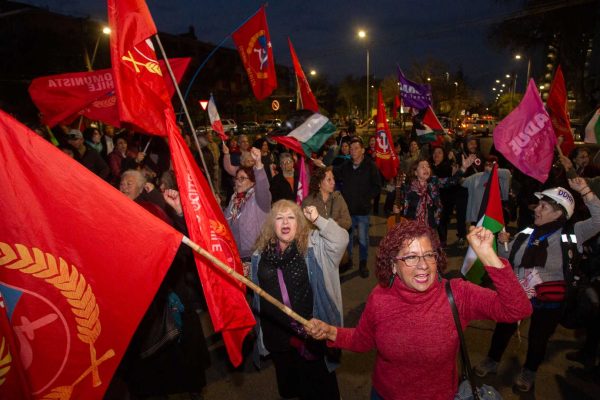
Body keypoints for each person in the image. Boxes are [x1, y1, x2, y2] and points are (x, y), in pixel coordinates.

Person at [305, 221, 532, 400]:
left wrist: (488, 255)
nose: (423, 265)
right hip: (385, 395)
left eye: (429, 255)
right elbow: (364, 340)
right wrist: (329, 332)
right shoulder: (380, 297)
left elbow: (518, 309)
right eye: (411, 257)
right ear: (393, 265)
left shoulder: (458, 295)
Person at [474, 178, 600, 392]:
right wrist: (503, 242)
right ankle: (492, 360)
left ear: (559, 213)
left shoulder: (572, 233)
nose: (536, 209)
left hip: (549, 301)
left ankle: (529, 371)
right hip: (517, 293)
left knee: (538, 338)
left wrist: (585, 190)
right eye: (538, 205)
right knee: (503, 329)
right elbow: (508, 258)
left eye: (543, 206)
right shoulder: (527, 232)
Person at [251, 200, 349, 400]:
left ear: (300, 222)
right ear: (272, 224)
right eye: (279, 218)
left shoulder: (313, 245)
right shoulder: (261, 253)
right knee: (291, 387)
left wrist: (318, 220)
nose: (285, 222)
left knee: (318, 387)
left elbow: (341, 240)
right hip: (278, 335)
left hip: (310, 333)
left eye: (291, 217)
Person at [333, 137, 381, 278]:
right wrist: (323, 165)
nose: (353, 151)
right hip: (347, 211)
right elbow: (335, 172)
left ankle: (363, 263)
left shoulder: (370, 166)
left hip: (362, 211)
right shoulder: (346, 165)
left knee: (362, 239)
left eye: (356, 148)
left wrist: (366, 199)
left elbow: (377, 186)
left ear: (363, 150)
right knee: (347, 239)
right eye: (351, 148)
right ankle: (349, 262)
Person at [224, 147, 271, 262]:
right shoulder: (234, 200)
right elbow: (224, 221)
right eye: (236, 178)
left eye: (242, 178)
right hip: (235, 254)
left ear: (252, 181)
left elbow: (263, 185)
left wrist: (259, 164)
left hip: (256, 255)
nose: (238, 182)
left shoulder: (260, 198)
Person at [302, 166, 351, 231]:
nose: (333, 182)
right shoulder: (308, 202)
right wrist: (322, 225)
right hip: (316, 240)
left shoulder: (338, 197)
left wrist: (332, 224)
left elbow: (348, 222)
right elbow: (304, 226)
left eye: (333, 178)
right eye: (329, 179)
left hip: (335, 238)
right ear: (319, 183)